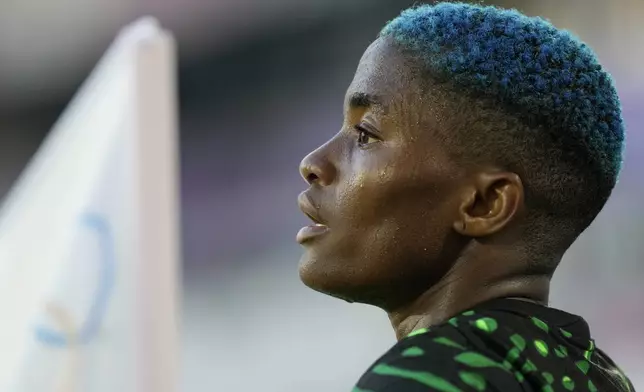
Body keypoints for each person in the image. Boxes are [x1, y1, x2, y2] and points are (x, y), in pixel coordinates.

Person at [295, 2, 633, 391]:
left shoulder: (425, 377)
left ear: (484, 204)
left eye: (366, 135)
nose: (313, 162)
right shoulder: (600, 377)